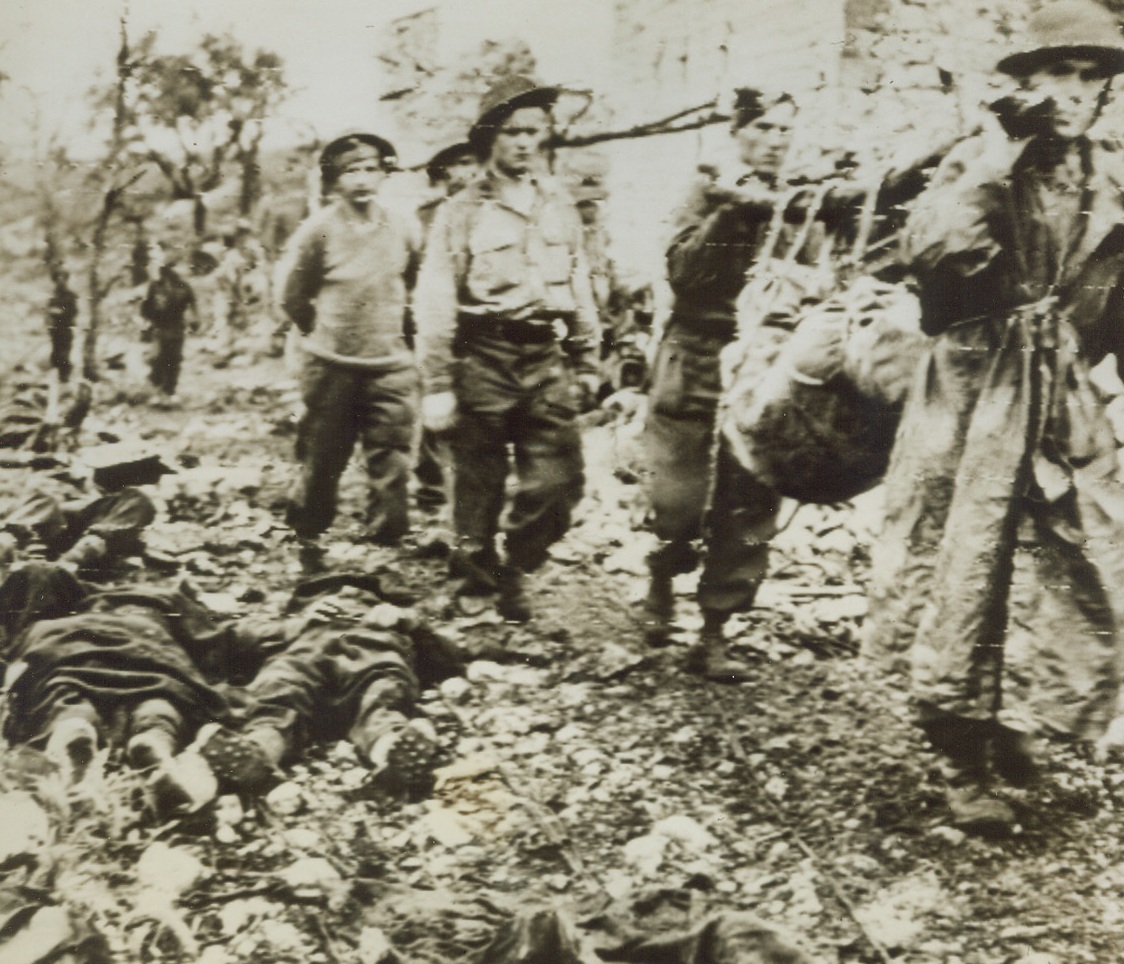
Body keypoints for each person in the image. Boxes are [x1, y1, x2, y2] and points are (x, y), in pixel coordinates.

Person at [862, 0, 1124, 835]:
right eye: (1060, 75)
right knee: (964, 566)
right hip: (973, 391)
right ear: (1024, 83)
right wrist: (998, 155)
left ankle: (1015, 718)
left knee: (1069, 562)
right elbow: (931, 256)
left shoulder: (1108, 175)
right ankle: (955, 753)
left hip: (1062, 396)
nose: (1077, 94)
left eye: (1092, 79)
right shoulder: (980, 160)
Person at [413, 76, 601, 621]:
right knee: (479, 480)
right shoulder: (461, 210)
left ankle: (517, 561)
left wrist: (588, 358)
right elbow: (435, 299)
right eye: (513, 132)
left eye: (534, 132)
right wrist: (438, 384)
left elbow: (580, 279)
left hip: (546, 357)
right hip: (484, 356)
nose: (524, 143)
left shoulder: (558, 202)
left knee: (559, 481)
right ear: (489, 138)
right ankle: (476, 576)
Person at [641, 91, 809, 681]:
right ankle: (662, 573)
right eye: (762, 127)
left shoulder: (802, 200)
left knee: (751, 497)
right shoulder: (707, 188)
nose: (775, 139)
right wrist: (733, 209)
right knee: (676, 497)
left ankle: (714, 634)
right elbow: (683, 270)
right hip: (695, 352)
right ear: (738, 132)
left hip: (763, 361)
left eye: (786, 129)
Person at [278, 132, 423, 571]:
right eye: (350, 170)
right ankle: (309, 536)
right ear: (334, 180)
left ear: (384, 173)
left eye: (371, 168)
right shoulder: (317, 230)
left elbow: (417, 281)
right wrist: (321, 338)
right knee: (323, 456)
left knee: (393, 458)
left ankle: (385, 548)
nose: (362, 178)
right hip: (333, 366)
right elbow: (293, 296)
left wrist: (401, 333)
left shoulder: (404, 225)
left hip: (390, 365)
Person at [412, 142, 479, 514]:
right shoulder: (425, 217)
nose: (468, 172)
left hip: (475, 324)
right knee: (432, 403)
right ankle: (431, 487)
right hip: (431, 323)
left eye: (472, 164)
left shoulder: (485, 212)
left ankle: (464, 490)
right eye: (459, 165)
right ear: (443, 175)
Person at [140, 260, 199, 398]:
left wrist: (195, 320)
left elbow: (193, 305)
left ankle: (168, 392)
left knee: (172, 360)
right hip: (160, 329)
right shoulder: (156, 287)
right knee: (159, 360)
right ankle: (158, 388)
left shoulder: (183, 287)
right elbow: (145, 307)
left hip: (175, 329)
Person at [45, 271, 78, 383]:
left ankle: (65, 378)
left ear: (66, 280)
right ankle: (55, 379)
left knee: (64, 354)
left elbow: (73, 311)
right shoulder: (53, 296)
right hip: (55, 329)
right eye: (58, 279)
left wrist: (60, 312)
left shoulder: (71, 296)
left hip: (66, 328)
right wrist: (48, 322)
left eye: (63, 278)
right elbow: (47, 312)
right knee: (55, 354)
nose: (60, 281)